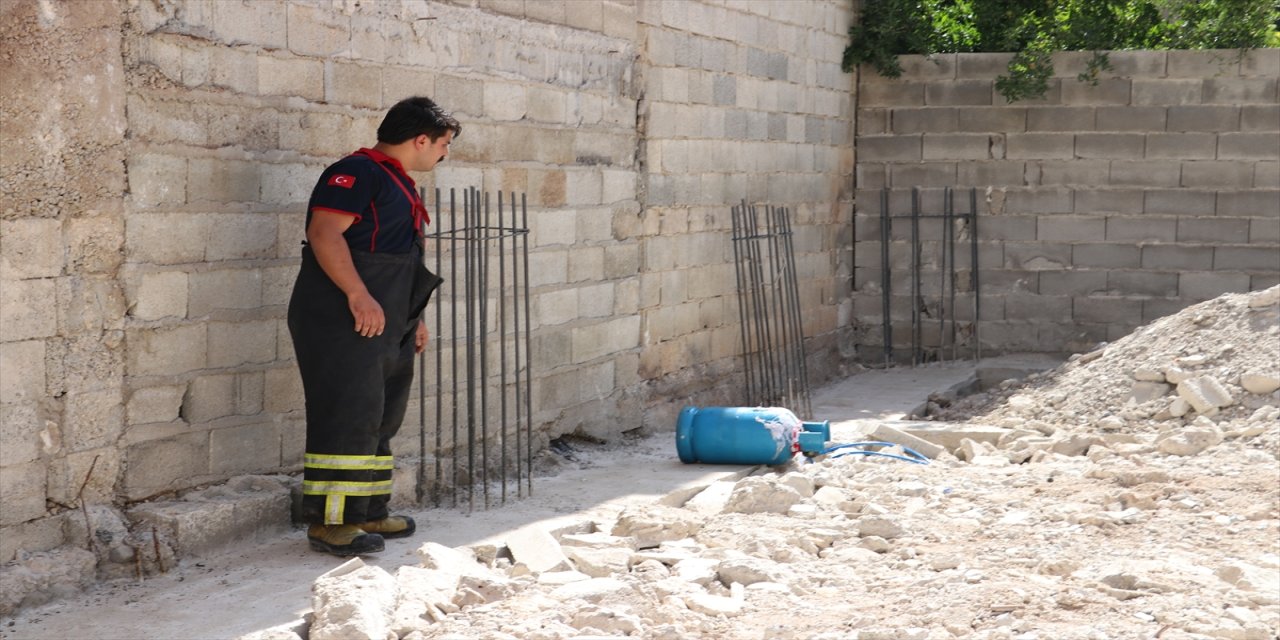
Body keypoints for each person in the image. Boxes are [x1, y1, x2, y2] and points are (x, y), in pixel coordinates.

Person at [287, 96, 460, 556]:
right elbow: (324, 233)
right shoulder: (357, 172)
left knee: (382, 416)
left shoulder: (397, 182)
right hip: (342, 318)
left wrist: (414, 319)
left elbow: (403, 258)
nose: (443, 154)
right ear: (421, 140)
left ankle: (368, 512)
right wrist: (357, 294)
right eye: (443, 145)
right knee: (348, 415)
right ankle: (332, 523)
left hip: (388, 320)